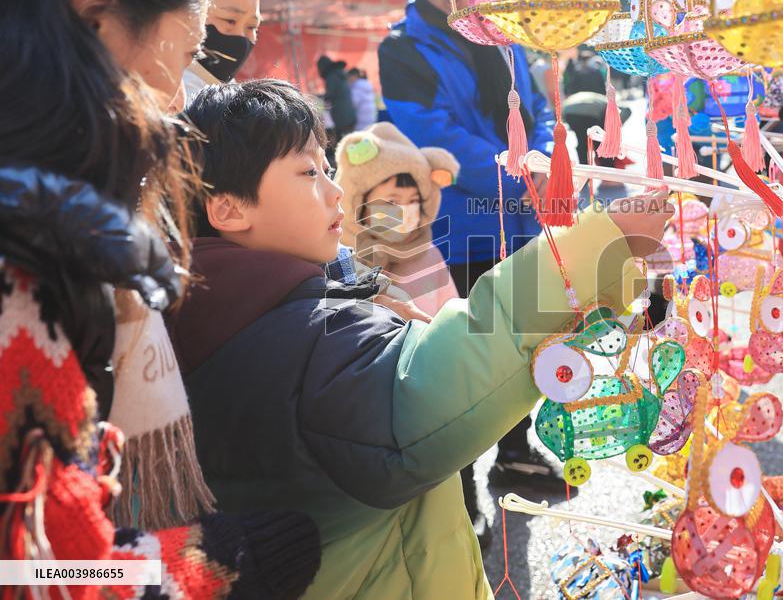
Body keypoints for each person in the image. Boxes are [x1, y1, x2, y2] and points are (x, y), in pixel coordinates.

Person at [174, 77, 671, 599]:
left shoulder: (232, 309)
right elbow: (435, 382)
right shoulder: (293, 332)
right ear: (228, 208)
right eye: (307, 172)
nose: (334, 189)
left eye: (326, 167)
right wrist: (601, 247)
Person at [0, 0, 319, 597]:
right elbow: (43, 572)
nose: (177, 99)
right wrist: (218, 564)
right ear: (97, 22)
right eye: (187, 50)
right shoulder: (21, 277)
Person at [378, 0, 561, 545]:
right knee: (456, 350)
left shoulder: (505, 36)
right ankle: (458, 484)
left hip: (520, 218)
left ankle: (514, 446)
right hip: (458, 227)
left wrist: (542, 162)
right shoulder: (401, 49)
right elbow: (434, 136)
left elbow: (535, 110)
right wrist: (521, 170)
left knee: (524, 335)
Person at [335, 122, 460, 315]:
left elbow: (452, 317)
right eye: (392, 202)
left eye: (413, 201)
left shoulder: (429, 255)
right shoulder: (340, 263)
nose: (405, 211)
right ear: (358, 206)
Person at [181, 0, 262, 102]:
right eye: (230, 20)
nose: (242, 37)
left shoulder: (227, 94)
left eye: (252, 27)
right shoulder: (175, 97)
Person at [317, 55, 357, 148]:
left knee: (342, 143)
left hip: (340, 115)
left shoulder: (331, 77)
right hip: (350, 112)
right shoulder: (341, 74)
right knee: (350, 140)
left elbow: (330, 95)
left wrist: (318, 97)